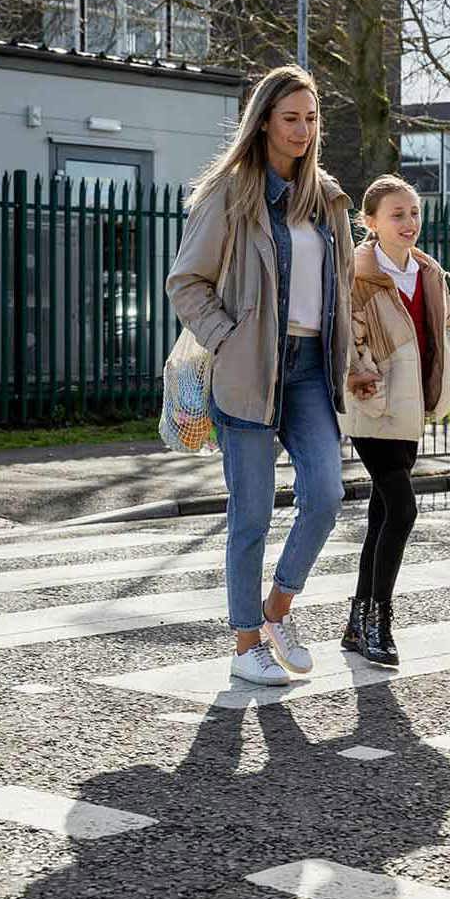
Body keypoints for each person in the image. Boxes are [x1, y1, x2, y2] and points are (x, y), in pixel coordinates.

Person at [166, 65, 355, 686]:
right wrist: (229, 338)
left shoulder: (326, 198)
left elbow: (342, 289)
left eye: (311, 118)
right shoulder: (230, 192)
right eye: (290, 117)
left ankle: (276, 611)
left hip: (308, 372)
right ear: (264, 121)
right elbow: (185, 283)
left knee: (325, 496)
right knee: (251, 514)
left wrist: (353, 356)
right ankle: (245, 643)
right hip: (248, 370)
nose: (302, 130)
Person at [340, 176, 450, 666]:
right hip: (372, 408)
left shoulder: (428, 271)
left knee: (381, 514)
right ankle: (379, 622)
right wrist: (358, 368)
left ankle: (356, 623)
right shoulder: (355, 271)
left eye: (414, 212)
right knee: (402, 510)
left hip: (412, 409)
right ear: (370, 222)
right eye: (397, 214)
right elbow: (342, 330)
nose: (409, 223)